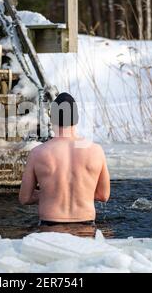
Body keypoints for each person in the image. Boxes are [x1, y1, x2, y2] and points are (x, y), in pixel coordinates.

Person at [19, 93, 111, 236]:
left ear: (52, 118)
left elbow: (25, 198)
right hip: (86, 228)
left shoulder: (37, 153)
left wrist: (50, 193)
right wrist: (80, 193)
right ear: (77, 118)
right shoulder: (96, 151)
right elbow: (103, 195)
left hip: (49, 228)